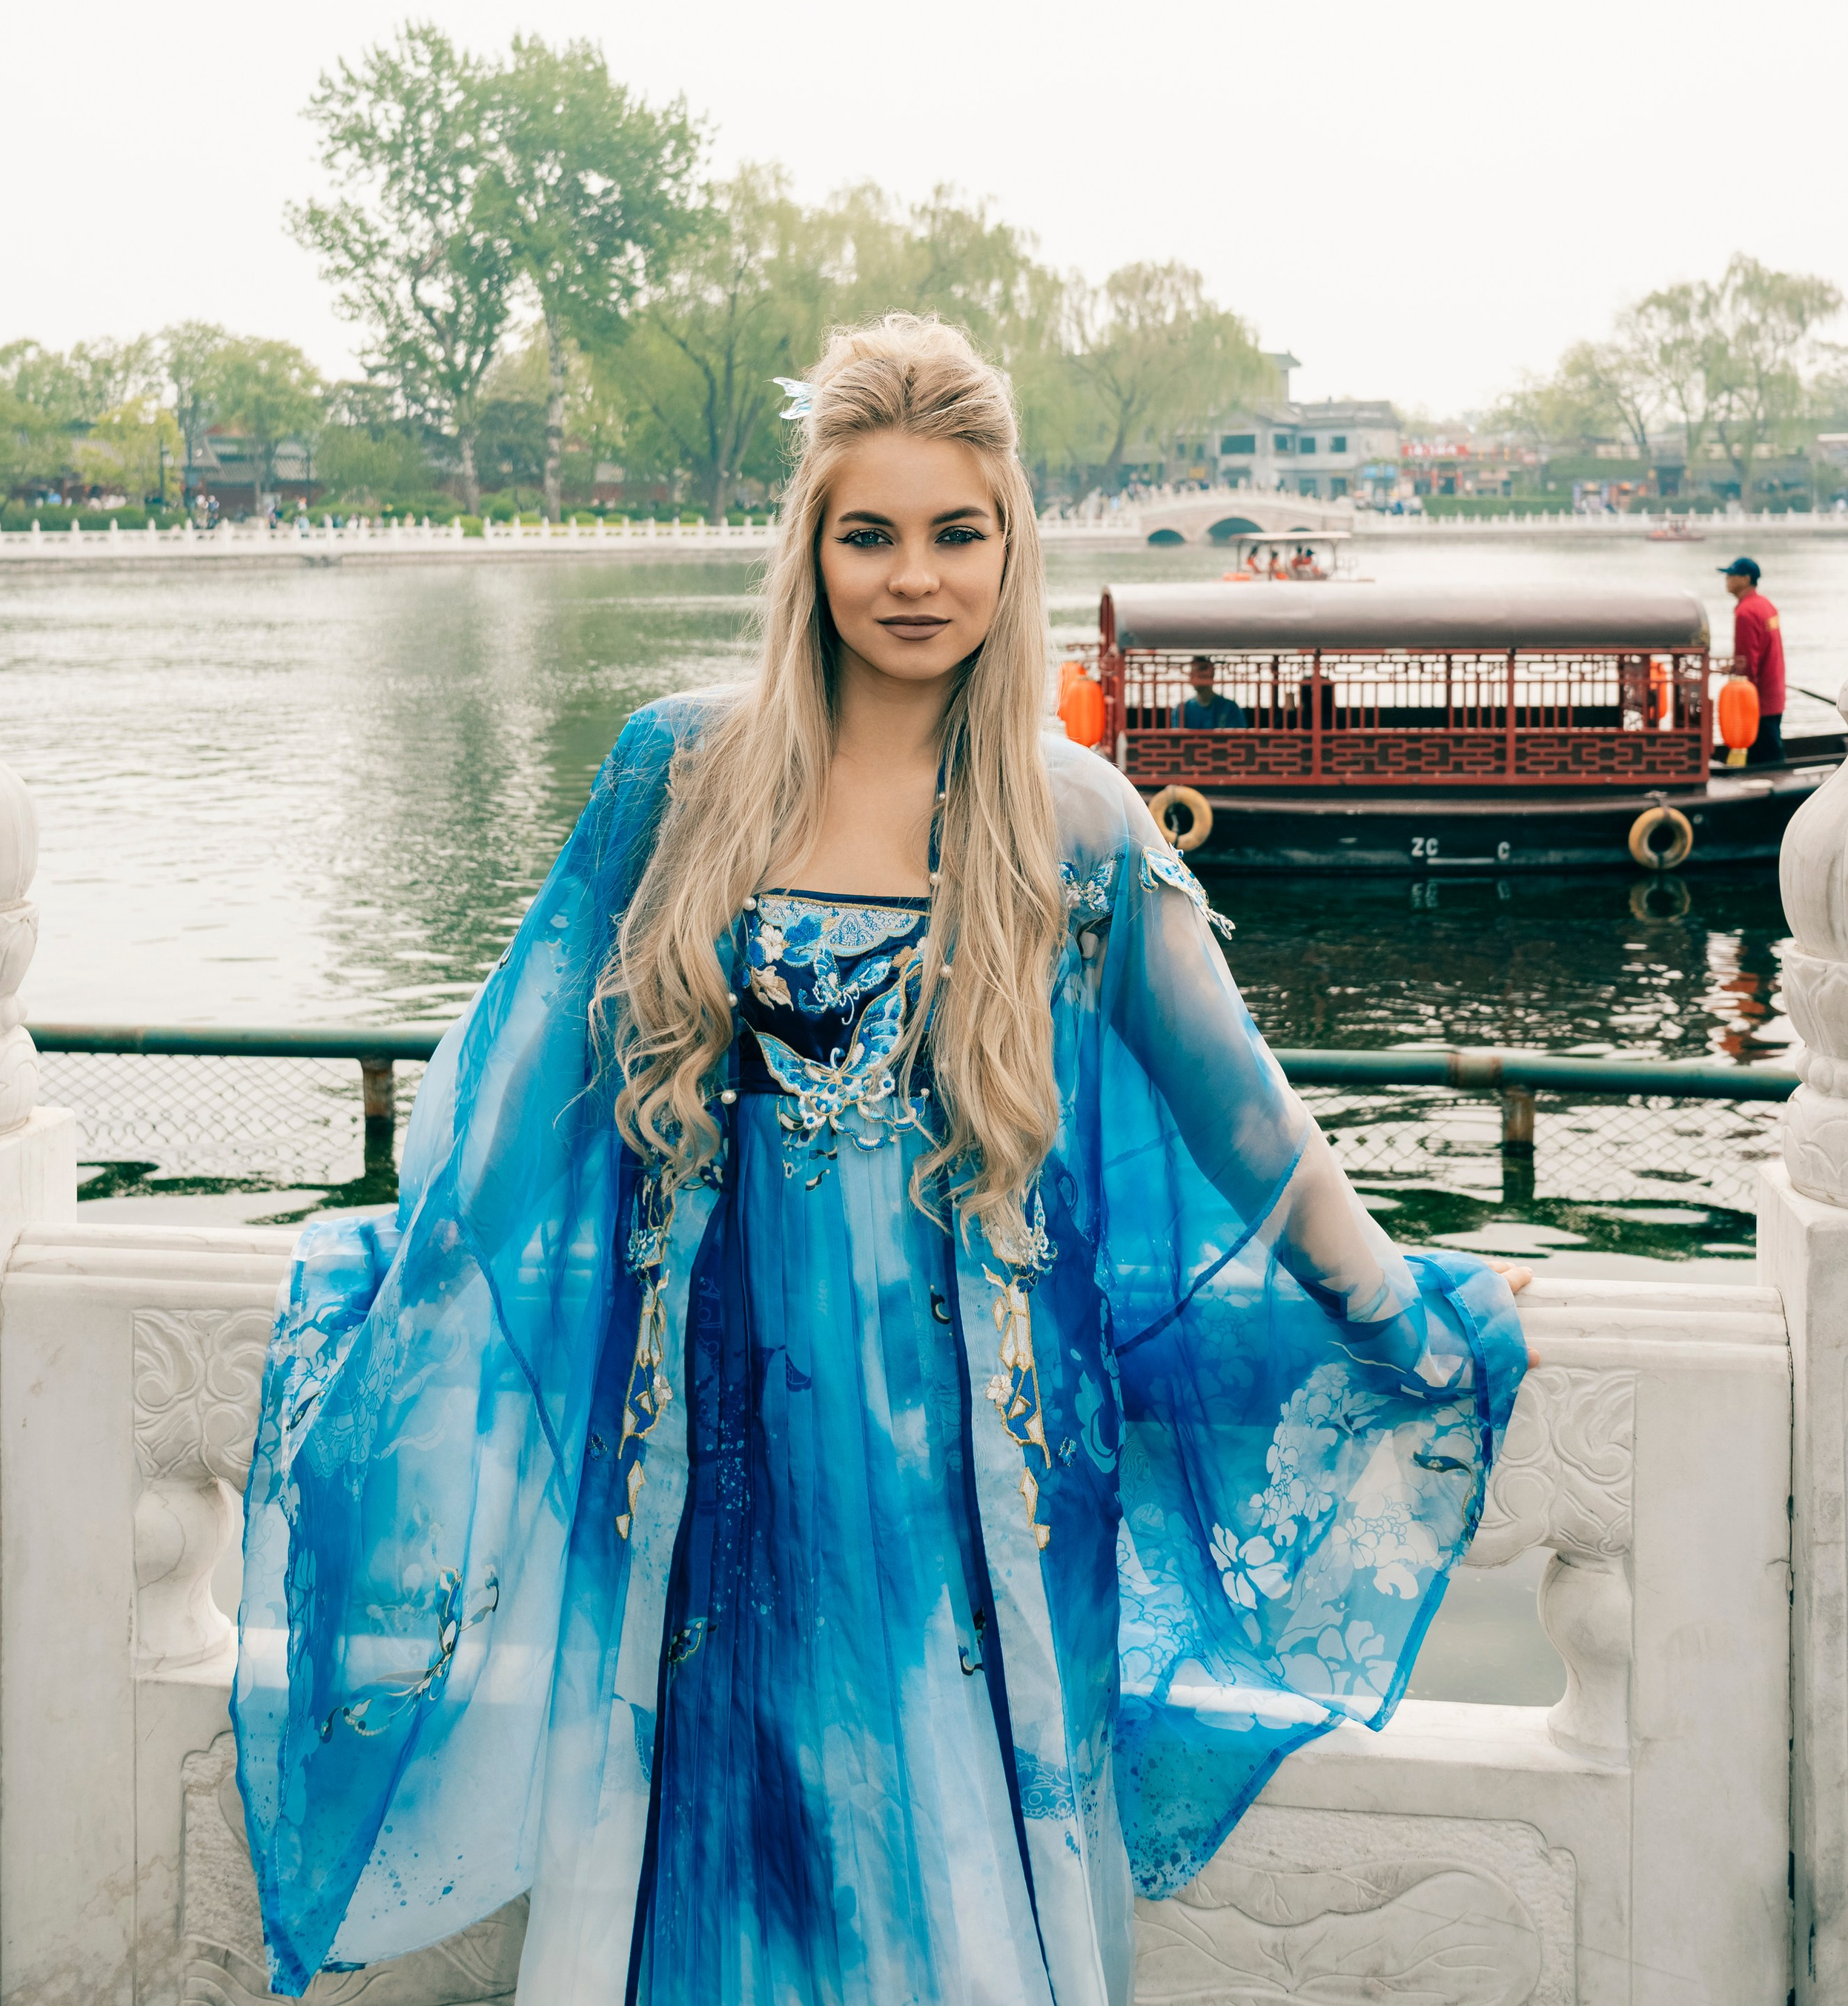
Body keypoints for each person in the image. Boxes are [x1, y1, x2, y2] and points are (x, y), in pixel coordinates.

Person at [231, 317, 1531, 2006]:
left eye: (954, 532)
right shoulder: (679, 778)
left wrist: (1400, 1323)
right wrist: (391, 1291)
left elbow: (1246, 1127)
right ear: (810, 548)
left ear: (1008, 547)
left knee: (957, 1906)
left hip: (984, 1479)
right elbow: (519, 1089)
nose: (911, 578)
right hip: (728, 1477)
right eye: (868, 533)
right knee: (740, 1870)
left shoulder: (1072, 824)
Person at [1720, 555, 1786, 766]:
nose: (1727, 580)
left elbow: (1746, 662)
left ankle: (1779, 795)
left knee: (1766, 760)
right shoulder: (1766, 605)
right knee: (1772, 746)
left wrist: (1743, 691)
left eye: (1731, 575)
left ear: (1746, 579)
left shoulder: (1746, 612)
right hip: (1774, 690)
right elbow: (1762, 650)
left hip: (1758, 699)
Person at [1171, 652, 1245, 729]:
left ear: (1212, 674)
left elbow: (1239, 738)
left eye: (1201, 670)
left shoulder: (1230, 707)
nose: (1196, 676)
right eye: (1192, 673)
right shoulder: (1181, 710)